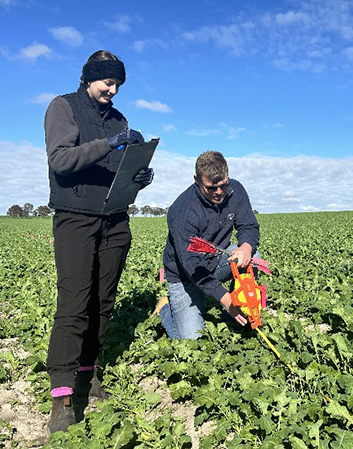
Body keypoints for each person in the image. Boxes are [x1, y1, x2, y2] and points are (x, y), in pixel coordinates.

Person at [43, 50, 154, 435]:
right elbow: (61, 160)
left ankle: (88, 378)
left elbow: (115, 171)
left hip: (114, 221)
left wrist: (137, 176)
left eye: (118, 84)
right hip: (75, 218)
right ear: (90, 77)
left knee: (103, 303)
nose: (114, 90)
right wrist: (110, 143)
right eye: (108, 82)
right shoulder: (64, 107)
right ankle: (62, 396)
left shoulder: (119, 119)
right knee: (74, 303)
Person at [158, 151, 259, 339]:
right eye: (212, 188)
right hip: (185, 276)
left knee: (253, 258)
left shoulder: (236, 191)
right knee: (190, 341)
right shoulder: (183, 212)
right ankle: (165, 308)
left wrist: (246, 246)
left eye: (223, 185)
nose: (219, 193)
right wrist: (227, 300)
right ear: (197, 179)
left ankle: (232, 317)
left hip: (217, 259)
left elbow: (249, 225)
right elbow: (192, 265)